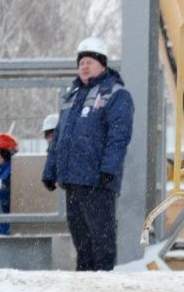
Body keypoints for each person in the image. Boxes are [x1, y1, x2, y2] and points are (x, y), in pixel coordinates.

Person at [41, 37, 134, 271]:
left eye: (90, 61)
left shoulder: (116, 94)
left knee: (101, 239)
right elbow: (59, 138)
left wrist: (108, 169)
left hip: (97, 181)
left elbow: (118, 138)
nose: (84, 66)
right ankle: (84, 283)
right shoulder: (71, 97)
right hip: (72, 181)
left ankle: (103, 283)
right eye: (81, 61)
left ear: (102, 64)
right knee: (81, 240)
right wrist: (50, 170)